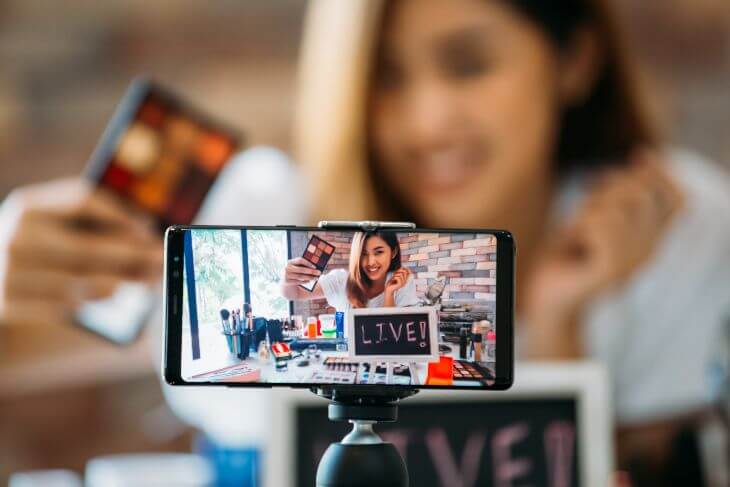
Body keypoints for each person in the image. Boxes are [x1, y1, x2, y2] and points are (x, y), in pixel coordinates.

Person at [293, 0, 730, 481]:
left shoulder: (687, 233)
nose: (425, 123)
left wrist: (557, 322)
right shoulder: (304, 230)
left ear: (575, 59)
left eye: (469, 66)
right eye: (388, 77)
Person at [281, 230, 418, 312]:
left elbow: (393, 334)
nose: (371, 262)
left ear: (393, 252)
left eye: (379, 252)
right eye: (363, 254)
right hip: (349, 360)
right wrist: (287, 279)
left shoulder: (402, 281)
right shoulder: (340, 280)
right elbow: (295, 293)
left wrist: (389, 294)